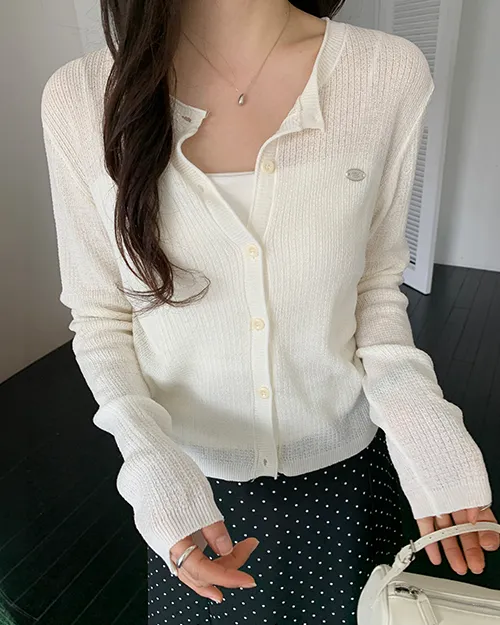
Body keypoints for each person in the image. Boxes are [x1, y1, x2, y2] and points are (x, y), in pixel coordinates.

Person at [41, 1, 499, 623]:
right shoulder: (80, 97)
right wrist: (151, 465)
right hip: (190, 490)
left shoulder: (386, 72)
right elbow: (100, 316)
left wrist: (425, 427)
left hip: (349, 474)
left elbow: (373, 286)